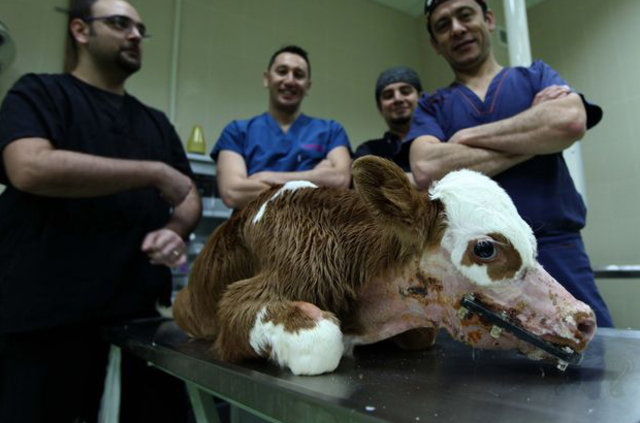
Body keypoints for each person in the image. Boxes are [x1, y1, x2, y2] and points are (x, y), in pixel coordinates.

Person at [0, 0, 201, 421]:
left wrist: (175, 229)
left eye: (140, 29)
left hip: (134, 319)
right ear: (80, 30)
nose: (135, 35)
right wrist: (151, 172)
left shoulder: (155, 123)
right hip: (43, 319)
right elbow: (29, 168)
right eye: (120, 23)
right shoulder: (38, 94)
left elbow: (187, 195)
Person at [406, 0, 613, 326]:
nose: (457, 29)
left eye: (465, 15)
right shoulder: (432, 105)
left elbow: (570, 122)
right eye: (443, 25)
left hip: (554, 248)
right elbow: (426, 168)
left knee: (586, 342)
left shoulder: (535, 76)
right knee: (481, 355)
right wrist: (536, 140)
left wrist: (465, 136)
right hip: (475, 261)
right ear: (434, 43)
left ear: (489, 20)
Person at [212, 45, 352, 209]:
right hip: (253, 225)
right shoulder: (237, 132)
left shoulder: (331, 131)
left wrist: (265, 177)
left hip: (312, 226)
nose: (290, 81)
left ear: (308, 86)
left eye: (299, 75)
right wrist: (316, 180)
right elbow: (233, 193)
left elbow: (340, 181)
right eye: (282, 71)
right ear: (267, 78)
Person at [354, 66, 422, 174]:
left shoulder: (439, 141)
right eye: (388, 95)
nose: (398, 99)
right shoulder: (368, 151)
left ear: (421, 98)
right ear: (379, 107)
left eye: (405, 91)